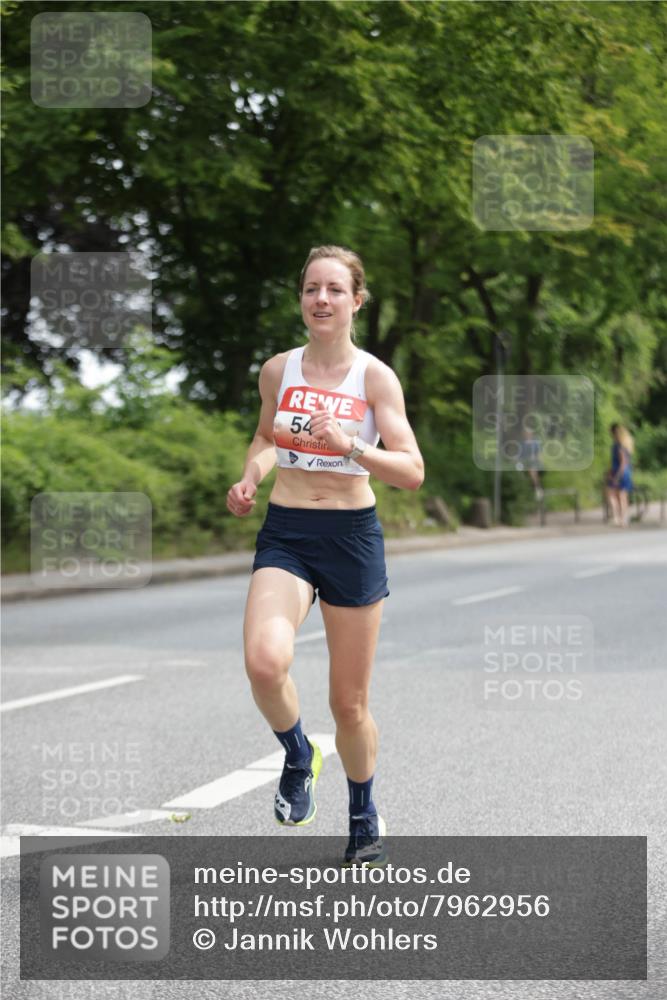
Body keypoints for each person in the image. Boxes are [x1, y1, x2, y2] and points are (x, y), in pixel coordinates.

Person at [226, 245, 424, 865]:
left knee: (349, 704)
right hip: (287, 532)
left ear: (356, 301)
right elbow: (266, 436)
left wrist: (352, 447)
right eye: (312, 288)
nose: (322, 300)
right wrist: (252, 476)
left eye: (335, 290)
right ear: (302, 298)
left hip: (351, 539)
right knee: (264, 661)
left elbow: (412, 470)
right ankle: (296, 753)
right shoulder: (277, 370)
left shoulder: (374, 377)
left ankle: (363, 807)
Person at [606, 423, 634, 527]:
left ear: (615, 433)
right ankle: (621, 518)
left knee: (617, 495)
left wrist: (616, 477)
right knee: (619, 496)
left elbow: (623, 463)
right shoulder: (622, 445)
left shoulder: (619, 446)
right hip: (622, 472)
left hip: (620, 472)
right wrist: (610, 471)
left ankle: (620, 518)